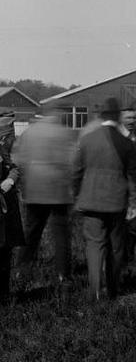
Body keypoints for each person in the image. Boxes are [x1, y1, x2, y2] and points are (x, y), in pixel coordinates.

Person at [72, 97, 136, 301]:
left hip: (90, 202)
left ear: (101, 116)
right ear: (118, 116)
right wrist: (134, 204)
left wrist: (76, 196)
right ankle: (112, 290)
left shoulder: (86, 139)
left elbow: (76, 172)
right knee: (116, 247)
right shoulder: (127, 143)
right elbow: (134, 177)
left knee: (94, 246)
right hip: (116, 203)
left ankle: (94, 291)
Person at [13, 107, 75, 291]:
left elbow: (17, 158)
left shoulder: (30, 133)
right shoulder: (65, 133)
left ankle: (21, 271)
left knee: (32, 233)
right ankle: (63, 275)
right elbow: (73, 160)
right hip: (59, 191)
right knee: (61, 236)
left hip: (36, 189)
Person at [0, 111, 25, 300]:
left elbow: (17, 165)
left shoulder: (8, 148)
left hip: (6, 206)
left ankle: (4, 293)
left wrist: (10, 179)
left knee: (5, 249)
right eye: (9, 135)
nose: (12, 138)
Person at [119, 108, 136, 263]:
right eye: (128, 117)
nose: (131, 121)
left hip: (134, 188)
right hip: (118, 186)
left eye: (134, 118)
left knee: (132, 225)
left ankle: (129, 256)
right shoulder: (115, 136)